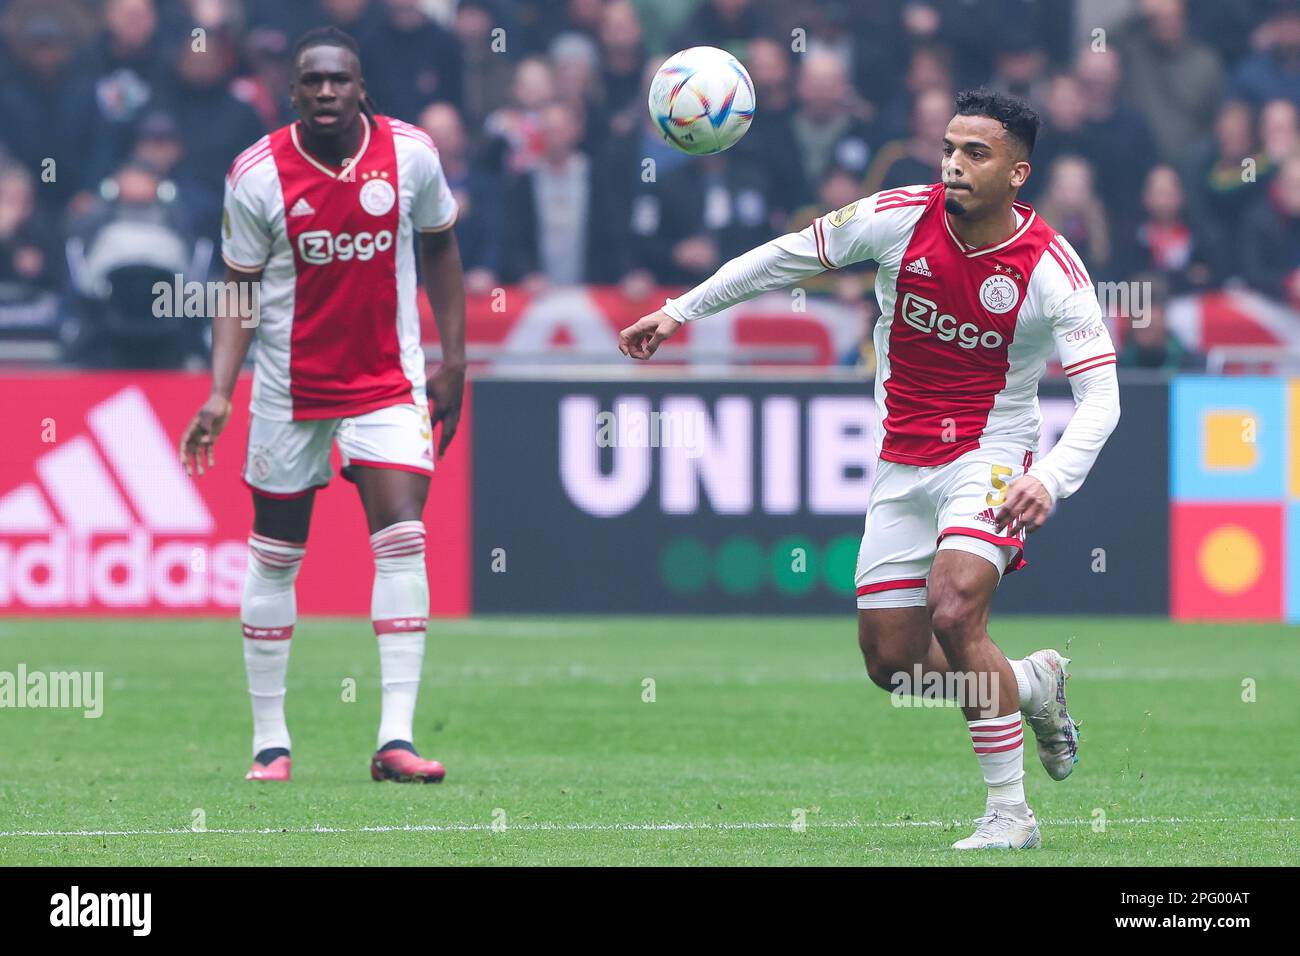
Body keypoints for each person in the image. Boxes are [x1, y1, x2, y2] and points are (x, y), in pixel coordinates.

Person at [618, 89, 1121, 851]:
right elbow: (783, 257)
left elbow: (1102, 397)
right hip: (900, 461)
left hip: (988, 454)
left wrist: (1048, 476)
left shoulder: (1050, 266)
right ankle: (1029, 684)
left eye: (976, 153)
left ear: (1019, 173)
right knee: (892, 662)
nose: (954, 163)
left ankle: (1009, 814)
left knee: (954, 612)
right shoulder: (895, 216)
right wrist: (681, 310)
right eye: (950, 147)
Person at [177, 27, 466, 785]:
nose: (328, 92)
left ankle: (394, 740)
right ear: (294, 91)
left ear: (362, 86)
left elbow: (439, 244)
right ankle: (270, 743)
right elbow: (237, 288)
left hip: (387, 382)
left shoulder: (411, 156)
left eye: (340, 80)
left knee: (403, 535)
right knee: (276, 556)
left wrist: (455, 357)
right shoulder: (258, 175)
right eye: (313, 82)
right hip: (289, 388)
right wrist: (218, 390)